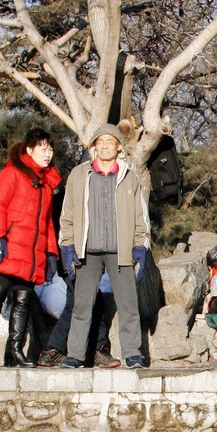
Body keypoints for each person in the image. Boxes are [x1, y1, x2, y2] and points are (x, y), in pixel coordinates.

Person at [58, 123, 150, 370]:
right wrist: (68, 244)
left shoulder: (129, 177)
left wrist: (139, 246)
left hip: (121, 250)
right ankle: (75, 355)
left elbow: (141, 216)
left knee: (128, 304)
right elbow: (67, 214)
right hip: (87, 250)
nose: (105, 146)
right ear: (94, 147)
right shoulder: (79, 174)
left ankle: (133, 353)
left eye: (110, 142)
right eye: (101, 142)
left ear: (118, 147)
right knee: (82, 305)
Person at [0, 128, 62, 368]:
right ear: (30, 150)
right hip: (8, 246)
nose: (48, 153)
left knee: (23, 299)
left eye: (50, 149)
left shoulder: (46, 185)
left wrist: (50, 252)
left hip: (31, 253)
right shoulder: (12, 172)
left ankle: (16, 350)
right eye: (43, 148)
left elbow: (47, 223)